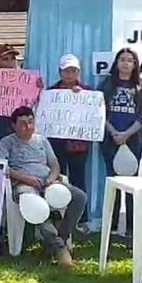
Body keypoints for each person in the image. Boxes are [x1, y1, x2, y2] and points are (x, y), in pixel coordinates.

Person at [0, 106, 87, 270]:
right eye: (23, 124)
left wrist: (51, 179)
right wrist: (26, 179)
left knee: (79, 197)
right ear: (14, 126)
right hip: (24, 185)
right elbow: (2, 167)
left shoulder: (42, 140)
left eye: (31, 122)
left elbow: (54, 164)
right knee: (37, 207)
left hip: (48, 181)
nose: (28, 127)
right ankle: (60, 250)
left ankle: (62, 236)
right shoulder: (7, 142)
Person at [98, 48, 142, 237]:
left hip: (133, 140)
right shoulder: (106, 84)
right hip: (110, 139)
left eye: (130, 60)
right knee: (113, 181)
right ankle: (110, 226)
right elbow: (98, 111)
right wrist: (114, 132)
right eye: (122, 59)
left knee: (131, 183)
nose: (126, 63)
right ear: (116, 62)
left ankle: (131, 227)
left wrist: (127, 134)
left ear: (135, 64)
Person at [47, 54, 93, 230]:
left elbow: (94, 112)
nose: (69, 74)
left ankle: (82, 220)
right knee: (58, 178)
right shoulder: (51, 92)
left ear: (78, 72)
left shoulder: (87, 91)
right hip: (56, 142)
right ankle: (59, 216)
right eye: (66, 70)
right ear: (60, 72)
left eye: (73, 70)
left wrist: (82, 97)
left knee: (78, 179)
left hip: (78, 144)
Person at [0, 43, 44, 159]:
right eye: (5, 59)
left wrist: (38, 89)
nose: (10, 63)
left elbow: (35, 106)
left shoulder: (25, 81)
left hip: (16, 132)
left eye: (13, 59)